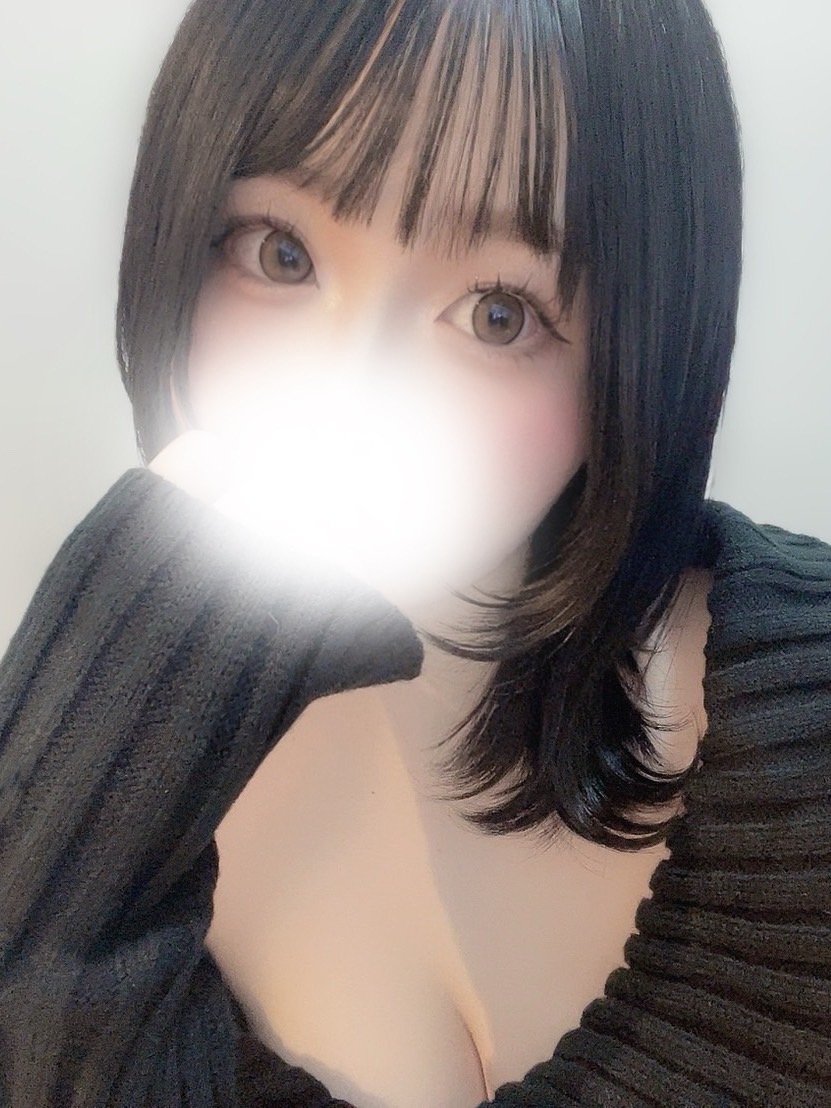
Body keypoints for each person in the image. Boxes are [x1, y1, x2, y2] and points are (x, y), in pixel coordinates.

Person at [1, 1, 829, 1106]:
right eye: (279, 253)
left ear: (638, 354)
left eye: (497, 313)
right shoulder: (65, 796)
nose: (349, 386)